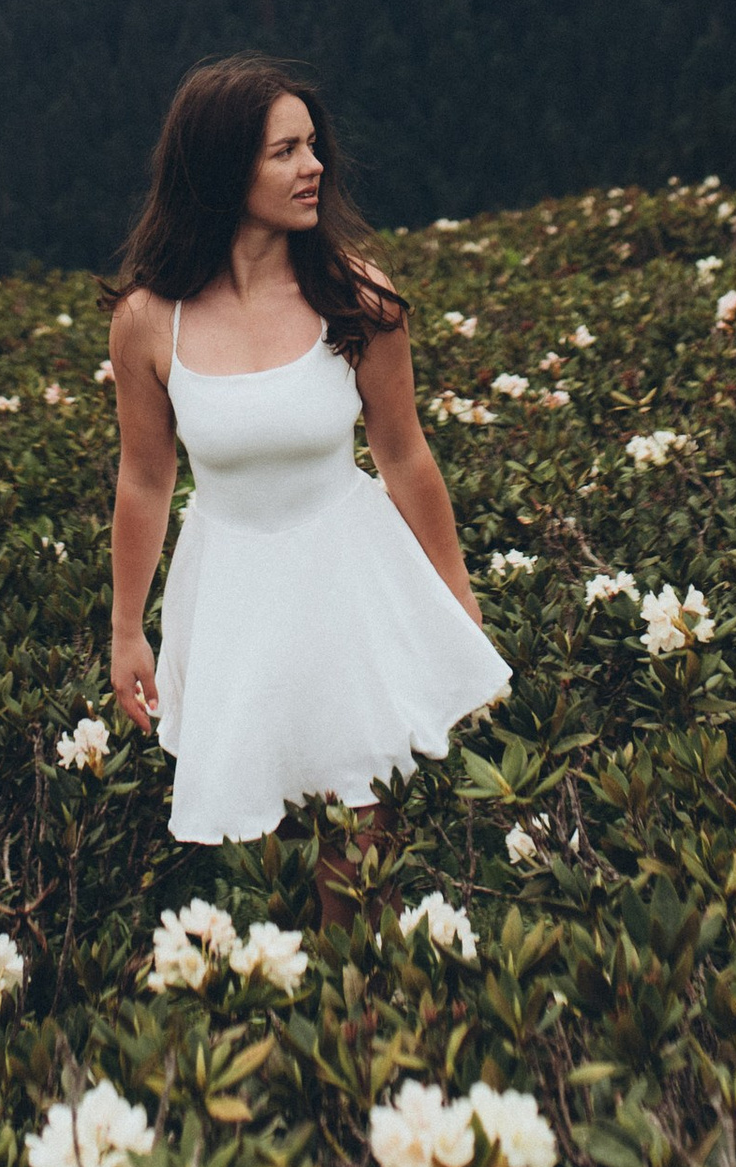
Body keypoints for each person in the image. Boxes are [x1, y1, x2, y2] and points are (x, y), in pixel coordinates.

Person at [104, 54, 509, 858]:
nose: (314, 165)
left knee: (357, 857)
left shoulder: (359, 298)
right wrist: (125, 630)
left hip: (350, 590)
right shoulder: (150, 321)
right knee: (263, 855)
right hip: (231, 601)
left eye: (312, 145)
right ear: (223, 168)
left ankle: (364, 983)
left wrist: (457, 600)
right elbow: (145, 480)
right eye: (284, 150)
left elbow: (404, 457)